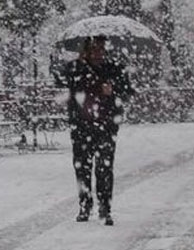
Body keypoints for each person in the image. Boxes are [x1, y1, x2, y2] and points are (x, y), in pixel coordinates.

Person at [51, 36, 134, 226]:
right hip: (81, 125)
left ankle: (105, 206)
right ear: (86, 50)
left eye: (100, 49)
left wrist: (112, 90)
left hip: (105, 125)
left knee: (105, 168)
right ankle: (85, 204)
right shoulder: (75, 68)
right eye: (93, 49)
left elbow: (127, 91)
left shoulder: (114, 68)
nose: (98, 53)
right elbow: (60, 81)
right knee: (83, 167)